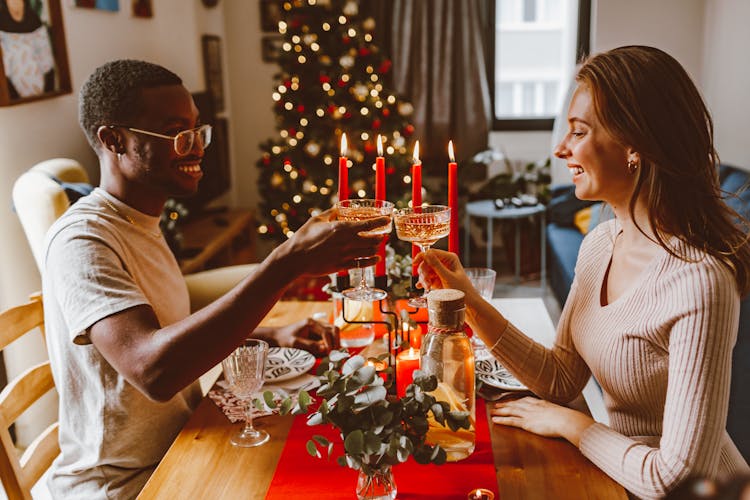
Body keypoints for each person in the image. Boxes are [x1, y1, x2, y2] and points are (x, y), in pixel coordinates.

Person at [42, 59, 388, 499]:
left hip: (182, 443)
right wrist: (284, 263)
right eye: (176, 133)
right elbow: (154, 371)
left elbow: (165, 328)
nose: (197, 147)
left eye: (197, 131)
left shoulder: (141, 219)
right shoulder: (82, 240)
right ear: (115, 140)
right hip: (122, 484)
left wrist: (272, 334)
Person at [415, 45, 750, 499]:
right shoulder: (601, 243)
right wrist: (468, 300)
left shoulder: (701, 282)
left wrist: (574, 425)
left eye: (578, 132)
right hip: (620, 478)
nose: (560, 149)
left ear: (637, 145)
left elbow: (676, 478)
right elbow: (561, 377)